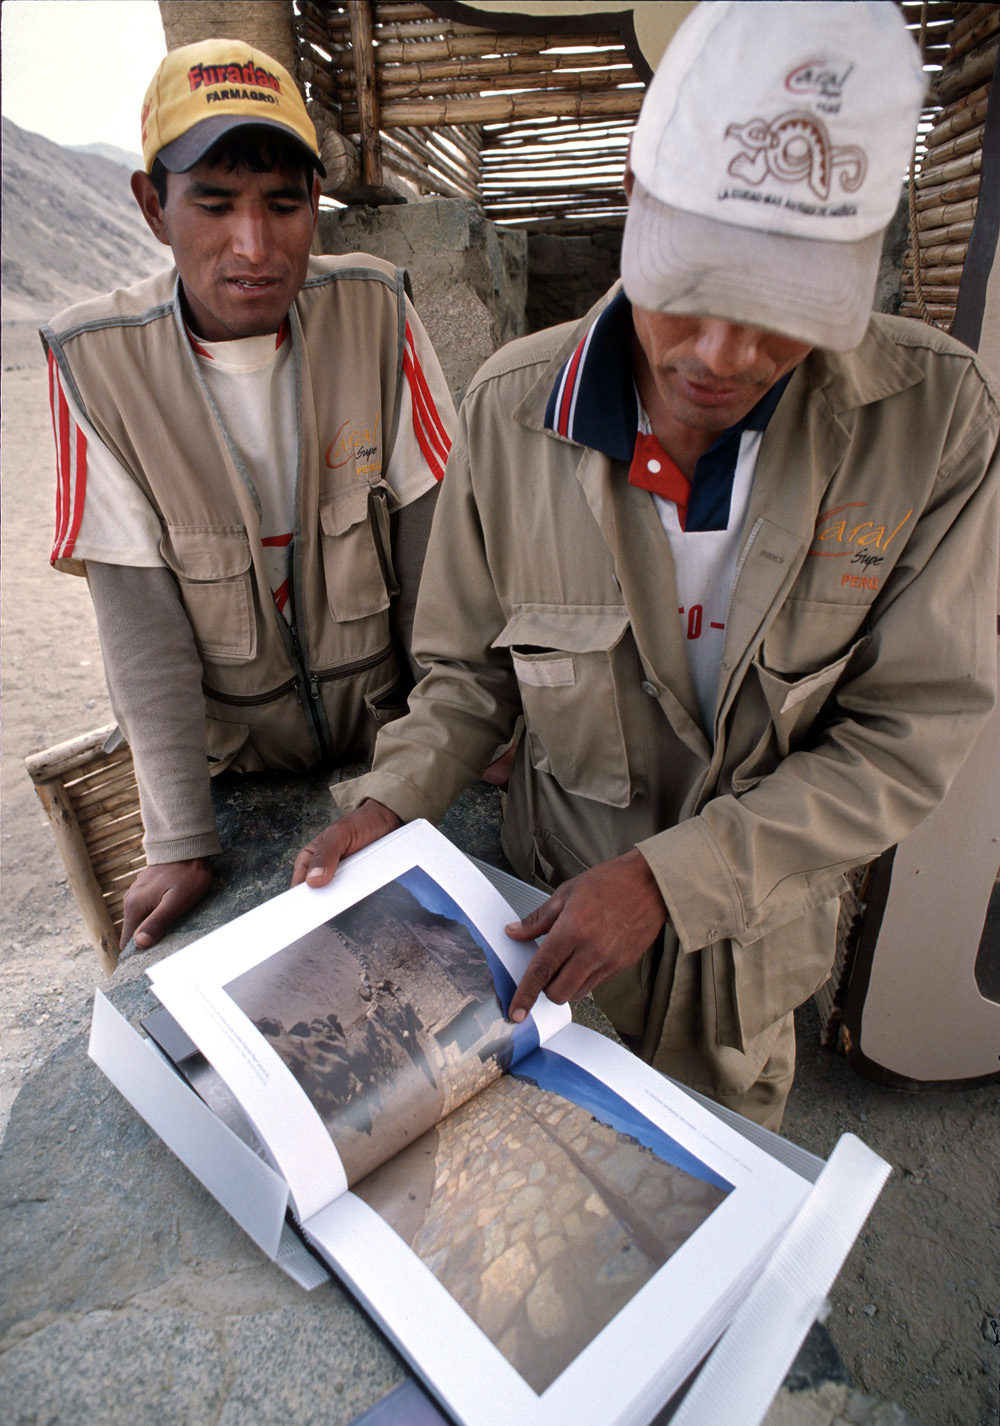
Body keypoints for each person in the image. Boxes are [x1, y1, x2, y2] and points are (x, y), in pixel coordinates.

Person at [294, 1, 999, 1129]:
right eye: (697, 286)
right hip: (543, 943)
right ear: (637, 192)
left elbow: (903, 738)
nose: (723, 357)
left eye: (782, 311)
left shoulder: (933, 422)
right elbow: (467, 678)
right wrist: (392, 801)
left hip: (744, 970)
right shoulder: (511, 413)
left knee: (715, 1192)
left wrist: (674, 882)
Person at [43, 39, 456, 951]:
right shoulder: (96, 365)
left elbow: (436, 562)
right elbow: (140, 624)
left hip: (387, 753)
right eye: (215, 203)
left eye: (282, 204)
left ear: (316, 201)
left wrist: (443, 751)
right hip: (241, 779)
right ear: (153, 206)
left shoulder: (377, 313)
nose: (254, 246)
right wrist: (182, 842)